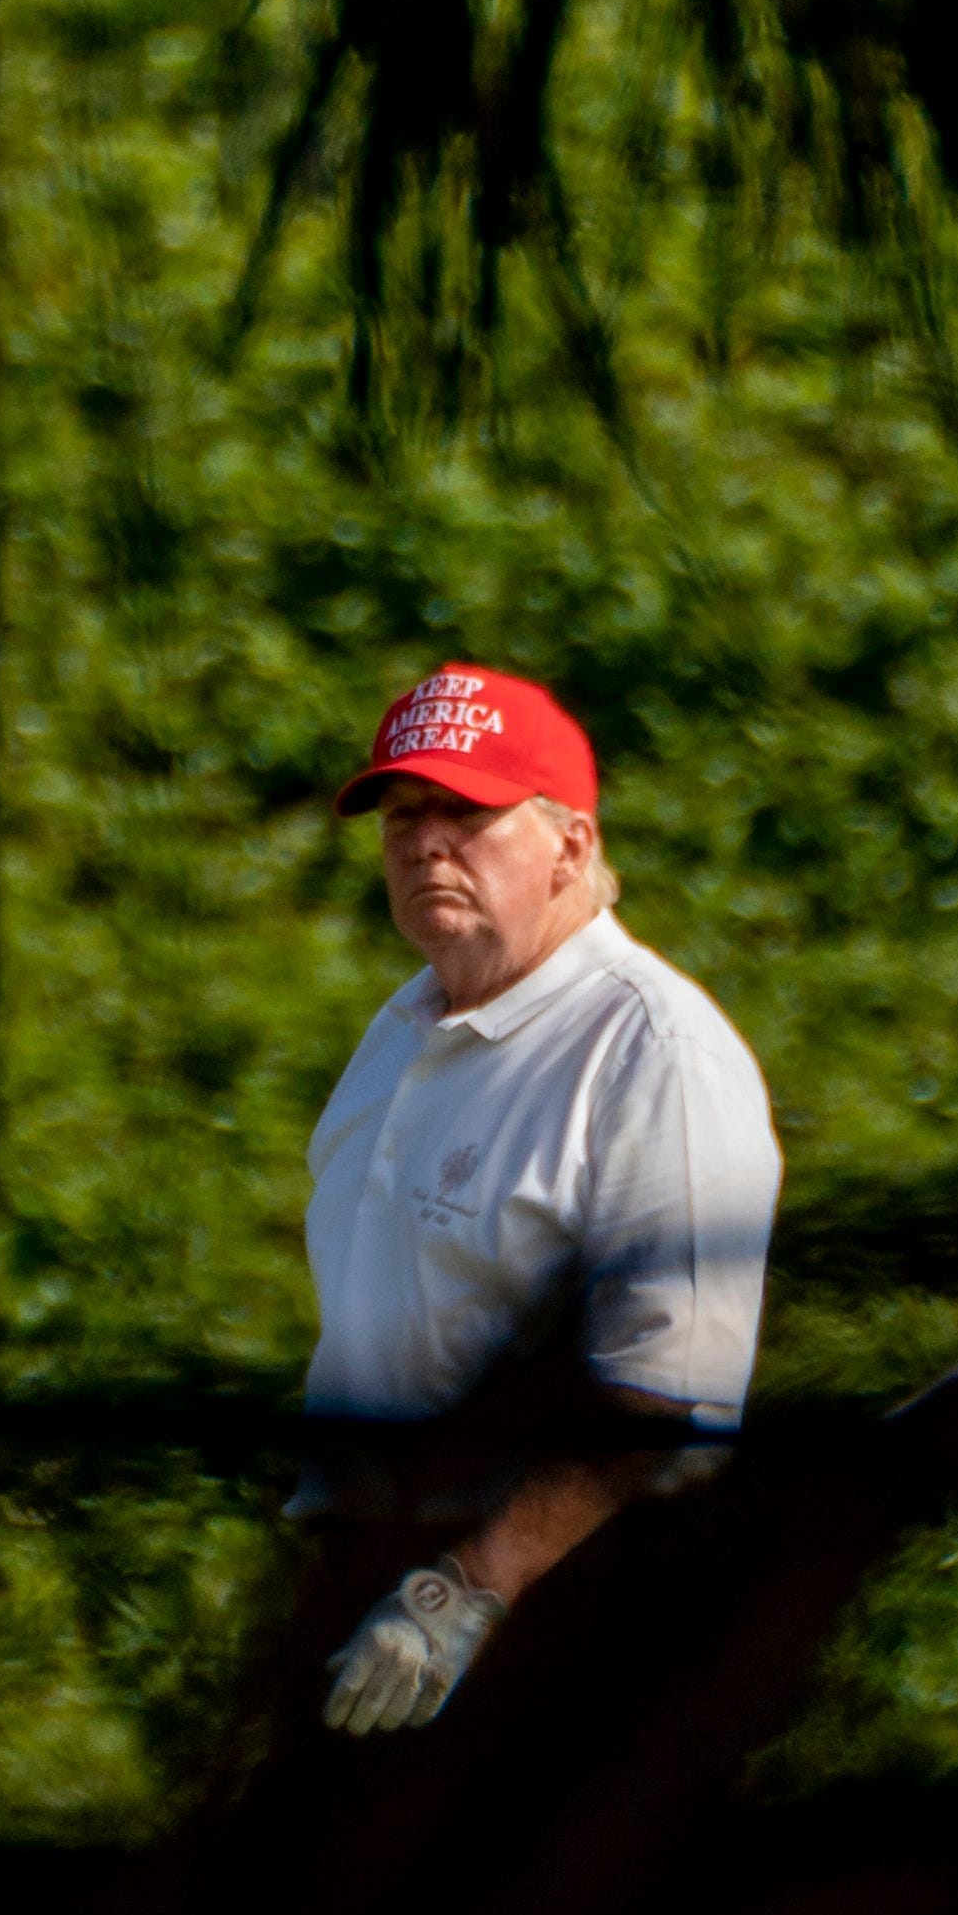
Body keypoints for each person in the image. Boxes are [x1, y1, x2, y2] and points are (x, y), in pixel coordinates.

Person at [292, 662, 783, 1733]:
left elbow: (666, 1399)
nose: (426, 842)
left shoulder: (654, 1048)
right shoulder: (401, 1033)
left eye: (466, 811)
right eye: (402, 815)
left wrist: (462, 1594)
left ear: (572, 844)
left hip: (558, 1635)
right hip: (370, 1606)